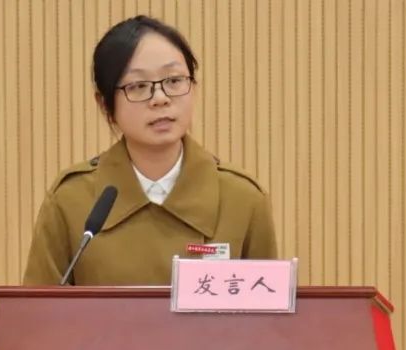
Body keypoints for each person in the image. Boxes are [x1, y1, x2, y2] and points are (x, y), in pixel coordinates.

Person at [22, 15, 279, 286]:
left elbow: (270, 309)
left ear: (193, 87)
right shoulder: (71, 201)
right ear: (105, 104)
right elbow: (37, 310)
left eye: (174, 81)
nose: (160, 98)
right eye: (138, 86)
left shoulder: (243, 200)